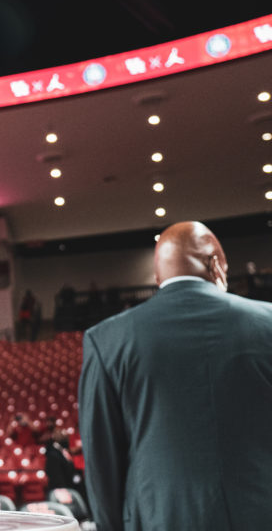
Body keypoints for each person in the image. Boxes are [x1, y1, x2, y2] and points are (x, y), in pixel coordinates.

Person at [79, 221, 272, 531]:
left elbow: (102, 461)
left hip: (159, 518)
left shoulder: (107, 339)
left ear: (158, 278)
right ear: (215, 264)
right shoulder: (268, 323)